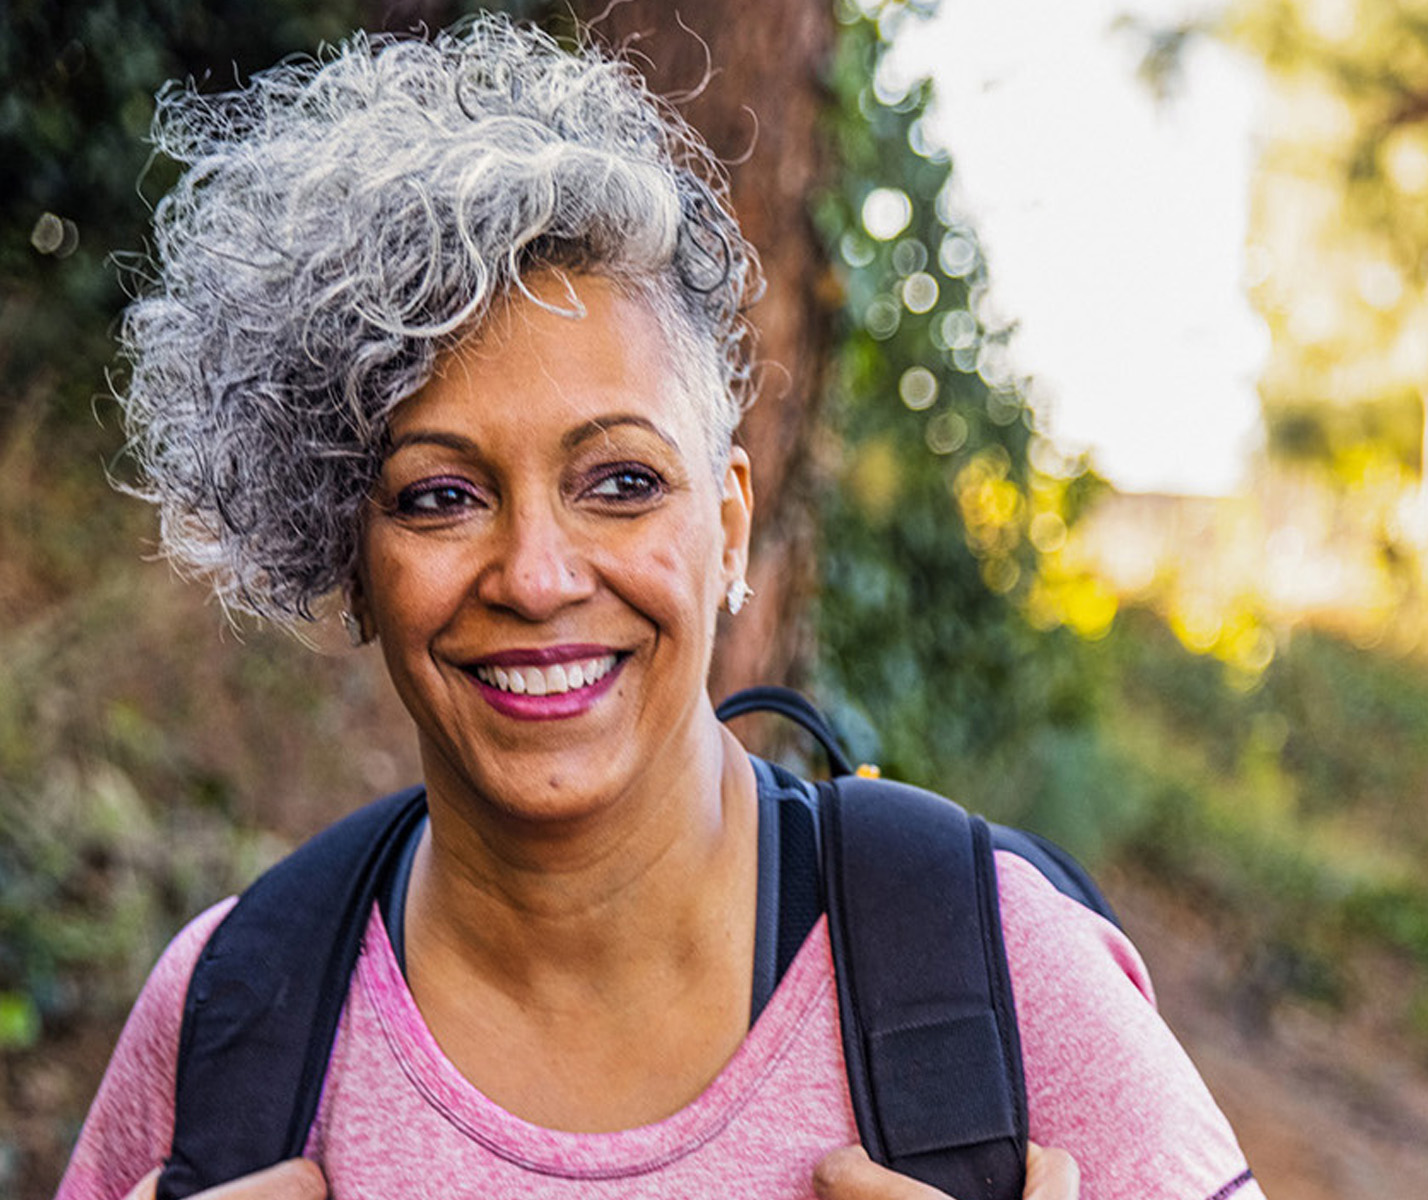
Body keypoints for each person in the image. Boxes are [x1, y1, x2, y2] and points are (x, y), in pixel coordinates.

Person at [55, 18, 1256, 1200]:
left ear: (727, 524)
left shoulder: (1002, 980)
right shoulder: (228, 1021)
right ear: (349, 557)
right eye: (440, 496)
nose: (536, 575)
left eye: (620, 482)